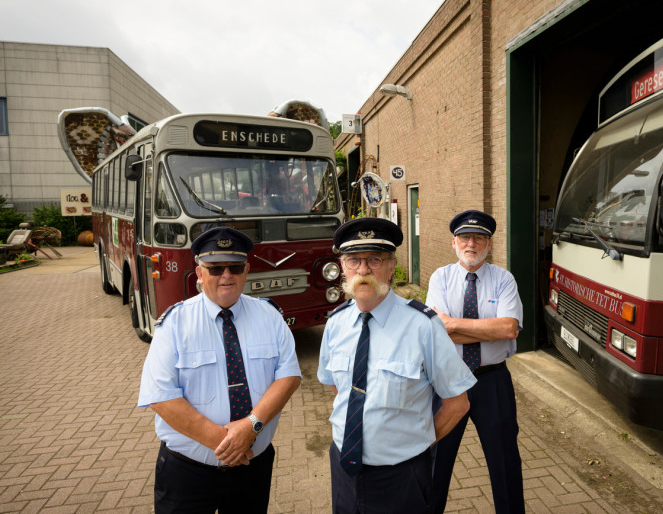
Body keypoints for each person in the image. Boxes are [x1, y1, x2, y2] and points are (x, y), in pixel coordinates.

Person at [138, 226, 301, 513]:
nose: (226, 275)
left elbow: (288, 376)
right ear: (199, 274)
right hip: (188, 473)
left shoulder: (270, 317)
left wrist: (251, 426)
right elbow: (161, 396)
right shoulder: (174, 324)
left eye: (235, 267)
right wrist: (231, 444)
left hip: (253, 469)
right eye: (215, 269)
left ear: (246, 270)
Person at [317, 217, 476, 513]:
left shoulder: (423, 326)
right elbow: (341, 389)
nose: (363, 270)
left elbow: (458, 404)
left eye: (374, 259)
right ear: (342, 267)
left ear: (391, 267)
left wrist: (419, 444)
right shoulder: (336, 323)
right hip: (343, 466)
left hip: (401, 475)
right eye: (354, 260)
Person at [426, 210, 525, 514]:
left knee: (505, 462)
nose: (471, 243)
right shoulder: (440, 277)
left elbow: (508, 328)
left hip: (492, 381)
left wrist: (453, 326)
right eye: (465, 237)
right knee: (435, 462)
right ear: (453, 243)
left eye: (479, 238)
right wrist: (487, 329)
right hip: (448, 382)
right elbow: (437, 333)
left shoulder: (503, 280)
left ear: (489, 244)